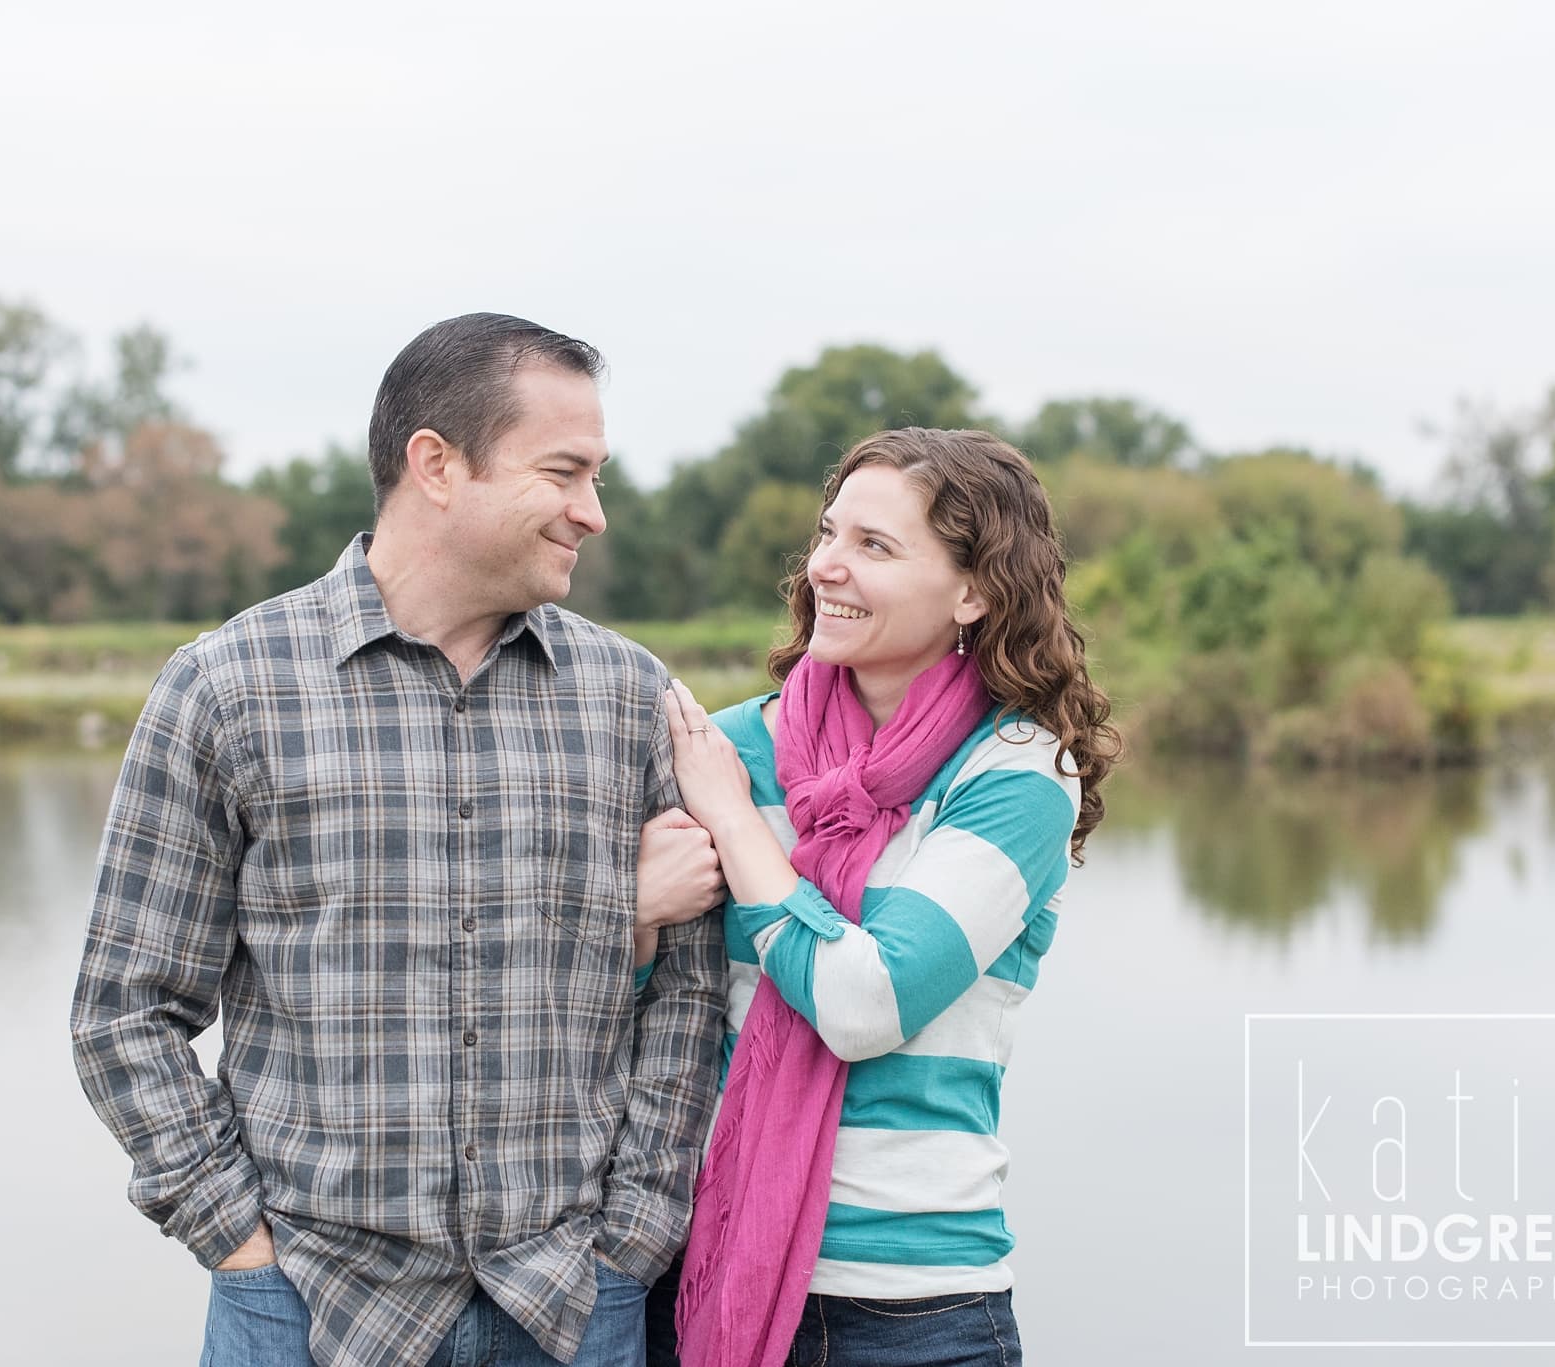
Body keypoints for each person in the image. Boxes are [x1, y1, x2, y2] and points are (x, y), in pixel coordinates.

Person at [70, 313, 727, 1367]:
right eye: (563, 472)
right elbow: (124, 1010)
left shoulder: (628, 698)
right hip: (304, 1307)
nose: (591, 513)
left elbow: (689, 996)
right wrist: (235, 1241)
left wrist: (630, 1242)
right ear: (435, 464)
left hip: (570, 1305)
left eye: (596, 476)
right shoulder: (229, 688)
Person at [646, 427, 1119, 1366]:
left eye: (875, 546)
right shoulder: (724, 748)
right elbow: (618, 1007)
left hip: (914, 1312)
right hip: (702, 1273)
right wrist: (630, 915)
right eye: (828, 535)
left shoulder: (1016, 774)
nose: (827, 566)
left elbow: (871, 1002)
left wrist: (740, 831)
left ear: (975, 591)